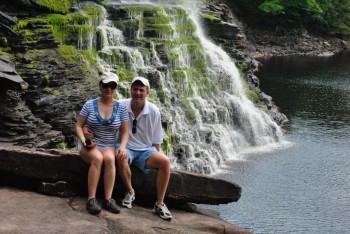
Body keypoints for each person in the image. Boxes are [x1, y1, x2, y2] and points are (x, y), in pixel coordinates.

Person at [117, 76, 172, 220]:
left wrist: (156, 156)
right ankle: (130, 191)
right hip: (126, 147)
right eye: (135, 89)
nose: (138, 93)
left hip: (146, 151)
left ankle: (159, 204)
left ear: (147, 92)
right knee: (121, 156)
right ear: (130, 90)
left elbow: (157, 140)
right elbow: (104, 119)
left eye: (141, 90)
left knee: (165, 162)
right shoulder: (120, 106)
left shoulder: (153, 111)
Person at [75, 71, 129, 215]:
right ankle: (91, 199)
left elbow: (125, 131)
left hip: (108, 144)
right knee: (97, 159)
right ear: (100, 86)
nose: (109, 89)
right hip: (89, 143)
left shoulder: (121, 108)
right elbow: (78, 126)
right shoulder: (89, 105)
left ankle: (108, 199)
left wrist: (122, 147)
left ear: (116, 88)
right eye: (106, 85)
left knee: (110, 159)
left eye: (112, 86)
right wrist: (83, 140)